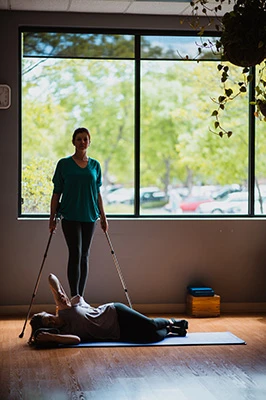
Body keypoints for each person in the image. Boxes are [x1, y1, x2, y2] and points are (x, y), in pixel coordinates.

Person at [28, 274, 189, 347]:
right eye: (48, 321)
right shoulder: (62, 335)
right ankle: (169, 330)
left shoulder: (63, 309)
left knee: (150, 326)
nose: (51, 318)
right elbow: (76, 340)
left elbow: (51, 277)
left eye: (47, 315)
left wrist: (59, 292)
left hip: (115, 312)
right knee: (150, 337)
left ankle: (171, 322)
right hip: (116, 332)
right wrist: (51, 337)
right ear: (48, 327)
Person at [49, 127, 108, 309]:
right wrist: (52, 218)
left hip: (90, 215)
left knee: (84, 256)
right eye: (79, 139)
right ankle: (74, 296)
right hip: (70, 215)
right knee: (75, 253)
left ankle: (80, 297)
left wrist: (104, 217)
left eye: (85, 139)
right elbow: (56, 192)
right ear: (73, 141)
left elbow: (97, 193)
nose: (82, 142)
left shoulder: (95, 166)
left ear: (89, 142)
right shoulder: (64, 164)